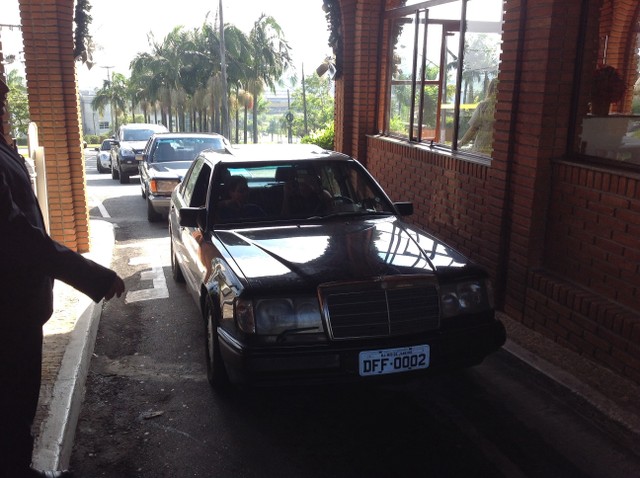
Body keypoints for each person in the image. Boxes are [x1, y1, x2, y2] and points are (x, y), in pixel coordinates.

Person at [0, 77, 125, 478]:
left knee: (18, 408)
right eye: (1, 94)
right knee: (13, 405)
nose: (5, 100)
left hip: (19, 309)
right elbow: (17, 235)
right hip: (9, 313)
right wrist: (92, 275)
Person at [458, 78, 498, 155]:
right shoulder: (508, 107)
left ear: (490, 89)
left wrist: (459, 144)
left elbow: (473, 129)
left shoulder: (484, 106)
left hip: (482, 148)